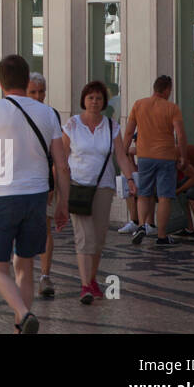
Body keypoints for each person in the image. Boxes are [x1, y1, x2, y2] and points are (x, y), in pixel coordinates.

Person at [0, 54, 69, 334]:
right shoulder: (48, 113)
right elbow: (61, 165)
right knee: (25, 265)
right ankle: (21, 325)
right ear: (27, 81)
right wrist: (62, 203)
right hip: (37, 196)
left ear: (1, 82)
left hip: (1, 196)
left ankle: (24, 313)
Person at [62, 80, 137, 304]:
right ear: (83, 100)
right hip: (78, 186)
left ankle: (92, 279)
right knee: (84, 237)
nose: (94, 102)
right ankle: (85, 286)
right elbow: (62, 158)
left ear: (104, 101)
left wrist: (130, 178)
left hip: (104, 187)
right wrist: (59, 186)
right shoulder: (72, 125)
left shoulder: (111, 126)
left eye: (98, 98)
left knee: (99, 237)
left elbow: (121, 156)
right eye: (90, 97)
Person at [125, 76, 187, 246]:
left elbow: (129, 132)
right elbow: (180, 135)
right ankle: (161, 236)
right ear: (167, 89)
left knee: (144, 194)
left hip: (144, 156)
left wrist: (124, 150)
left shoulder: (139, 104)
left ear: (154, 88)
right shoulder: (172, 108)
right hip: (166, 156)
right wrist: (183, 156)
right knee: (164, 196)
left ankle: (141, 226)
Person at [25, 72, 59, 297]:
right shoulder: (17, 113)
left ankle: (45, 275)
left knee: (45, 228)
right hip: (19, 182)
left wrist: (53, 183)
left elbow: (58, 154)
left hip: (44, 181)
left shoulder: (51, 115)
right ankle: (24, 275)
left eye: (41, 92)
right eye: (33, 92)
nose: (38, 97)